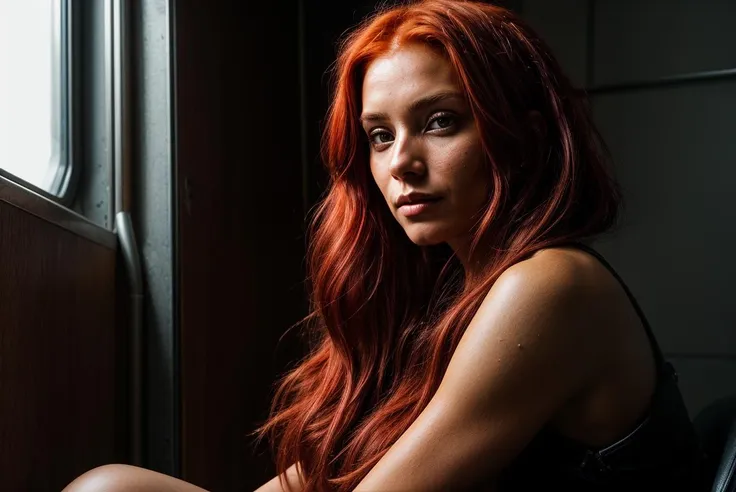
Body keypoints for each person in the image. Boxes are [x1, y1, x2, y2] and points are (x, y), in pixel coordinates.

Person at [64, 0, 709, 491]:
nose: (401, 163)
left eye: (440, 123)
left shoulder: (552, 287)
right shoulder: (454, 296)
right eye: (378, 135)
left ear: (525, 135)